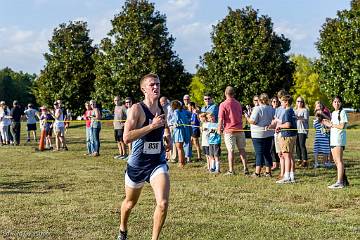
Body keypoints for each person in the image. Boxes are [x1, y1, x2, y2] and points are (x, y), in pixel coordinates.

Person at [117, 73, 171, 240]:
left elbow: (165, 127)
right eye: (152, 85)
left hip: (157, 162)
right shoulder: (136, 109)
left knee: (162, 203)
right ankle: (122, 229)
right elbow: (126, 138)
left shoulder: (163, 108)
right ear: (144, 89)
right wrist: (151, 126)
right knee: (130, 203)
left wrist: (167, 137)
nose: (156, 87)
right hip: (138, 164)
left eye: (158, 84)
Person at [217, 86, 248, 175]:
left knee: (231, 151)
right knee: (242, 149)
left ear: (225, 94)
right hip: (239, 129)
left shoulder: (223, 104)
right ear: (233, 94)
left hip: (229, 130)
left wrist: (219, 129)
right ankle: (245, 168)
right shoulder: (238, 103)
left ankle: (231, 170)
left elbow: (220, 118)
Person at [322, 96, 349, 189]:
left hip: (339, 139)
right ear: (332, 103)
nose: (336, 103)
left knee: (339, 161)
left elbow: (342, 126)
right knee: (336, 161)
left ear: (341, 103)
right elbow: (333, 126)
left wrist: (331, 124)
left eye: (338, 102)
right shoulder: (333, 113)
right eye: (335, 102)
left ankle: (340, 182)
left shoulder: (343, 112)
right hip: (333, 139)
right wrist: (327, 124)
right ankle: (342, 180)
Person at [245, 93, 274, 177]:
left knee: (259, 153)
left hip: (258, 134)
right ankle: (268, 172)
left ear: (260, 100)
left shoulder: (257, 109)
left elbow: (253, 121)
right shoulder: (271, 108)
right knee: (267, 152)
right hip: (268, 133)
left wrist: (247, 117)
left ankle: (257, 172)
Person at [275, 95, 297, 184]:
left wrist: (279, 126)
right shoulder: (292, 111)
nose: (281, 104)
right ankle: (292, 176)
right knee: (291, 156)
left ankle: (287, 177)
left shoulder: (287, 112)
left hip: (287, 135)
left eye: (282, 102)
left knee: (286, 156)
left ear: (286, 102)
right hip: (292, 135)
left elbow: (288, 125)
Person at [171, 100, 191, 167]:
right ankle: (183, 162)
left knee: (179, 148)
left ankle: (181, 163)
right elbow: (191, 114)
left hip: (179, 131)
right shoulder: (184, 111)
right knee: (181, 147)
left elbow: (176, 121)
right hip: (185, 130)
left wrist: (174, 123)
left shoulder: (176, 111)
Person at [295, 97, 309, 168]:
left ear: (303, 103)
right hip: (295, 130)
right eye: (298, 101)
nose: (299, 103)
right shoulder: (295, 110)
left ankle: (305, 161)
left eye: (301, 101)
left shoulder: (305, 110)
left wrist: (298, 117)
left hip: (302, 130)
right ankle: (299, 159)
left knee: (302, 145)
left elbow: (305, 119)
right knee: (297, 145)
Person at [270, 97, 280, 169]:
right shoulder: (270, 110)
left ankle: (277, 164)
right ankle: (274, 163)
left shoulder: (279, 110)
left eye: (276, 101)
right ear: (271, 102)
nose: (275, 103)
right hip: (271, 131)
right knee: (272, 148)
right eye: (274, 101)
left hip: (278, 131)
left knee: (276, 147)